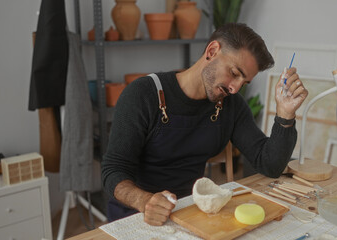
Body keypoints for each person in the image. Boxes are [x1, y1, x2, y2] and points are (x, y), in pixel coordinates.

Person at [101, 23, 308, 225]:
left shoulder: (231, 105)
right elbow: (113, 171)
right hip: (135, 215)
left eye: (243, 82)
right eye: (235, 73)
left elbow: (269, 165)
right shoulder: (142, 95)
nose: (235, 88)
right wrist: (144, 201)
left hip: (191, 212)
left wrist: (285, 113)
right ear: (212, 51)